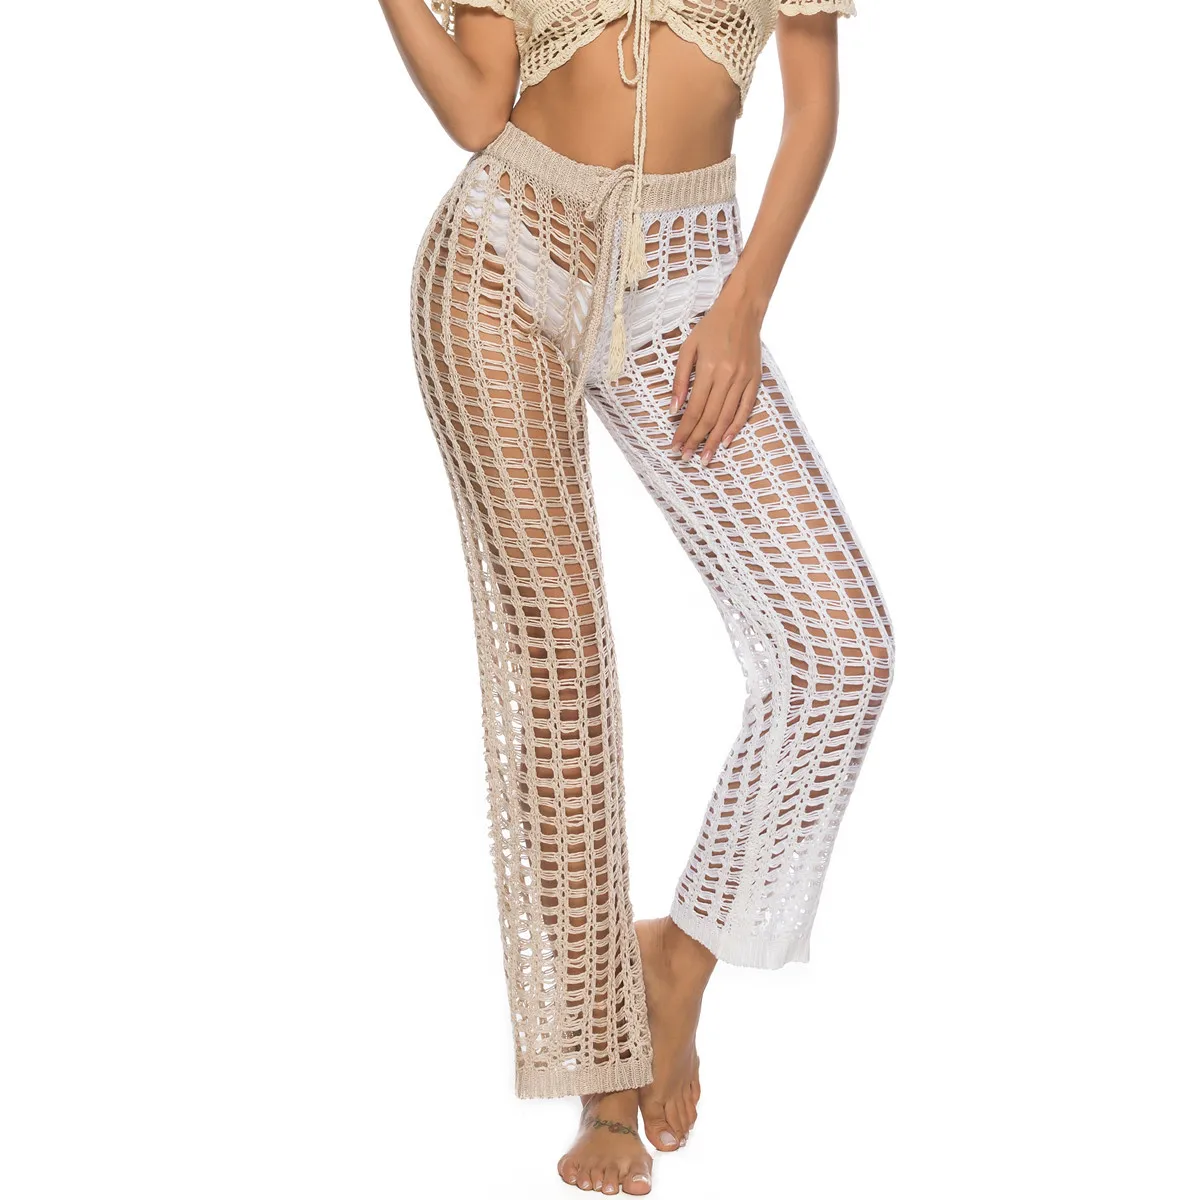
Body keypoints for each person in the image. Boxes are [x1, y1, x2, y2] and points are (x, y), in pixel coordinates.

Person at [378, 0, 894, 1191]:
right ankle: (601, 1076)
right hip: (502, 258)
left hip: (688, 277)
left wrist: (742, 309)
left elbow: (812, 110)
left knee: (841, 645)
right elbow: (478, 108)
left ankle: (677, 958)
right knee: (561, 661)